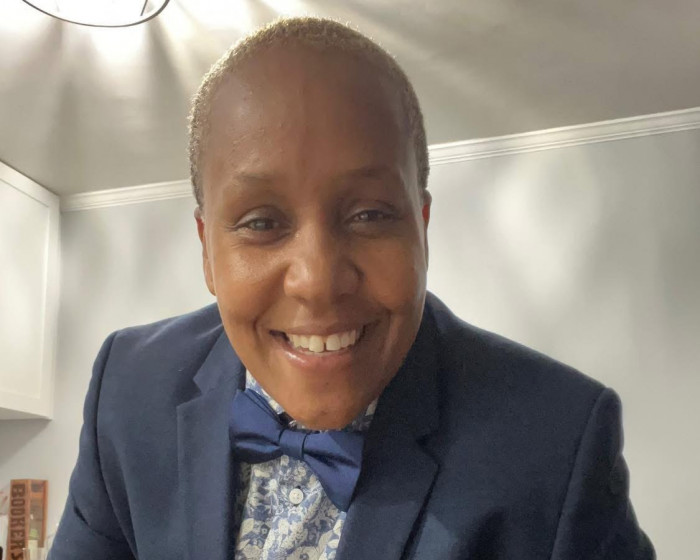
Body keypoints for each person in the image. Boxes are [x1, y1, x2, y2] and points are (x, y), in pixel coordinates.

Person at [49, 17, 655, 560]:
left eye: (369, 214)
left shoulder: (557, 440)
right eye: (261, 222)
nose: (317, 281)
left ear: (421, 228)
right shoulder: (129, 388)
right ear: (207, 250)